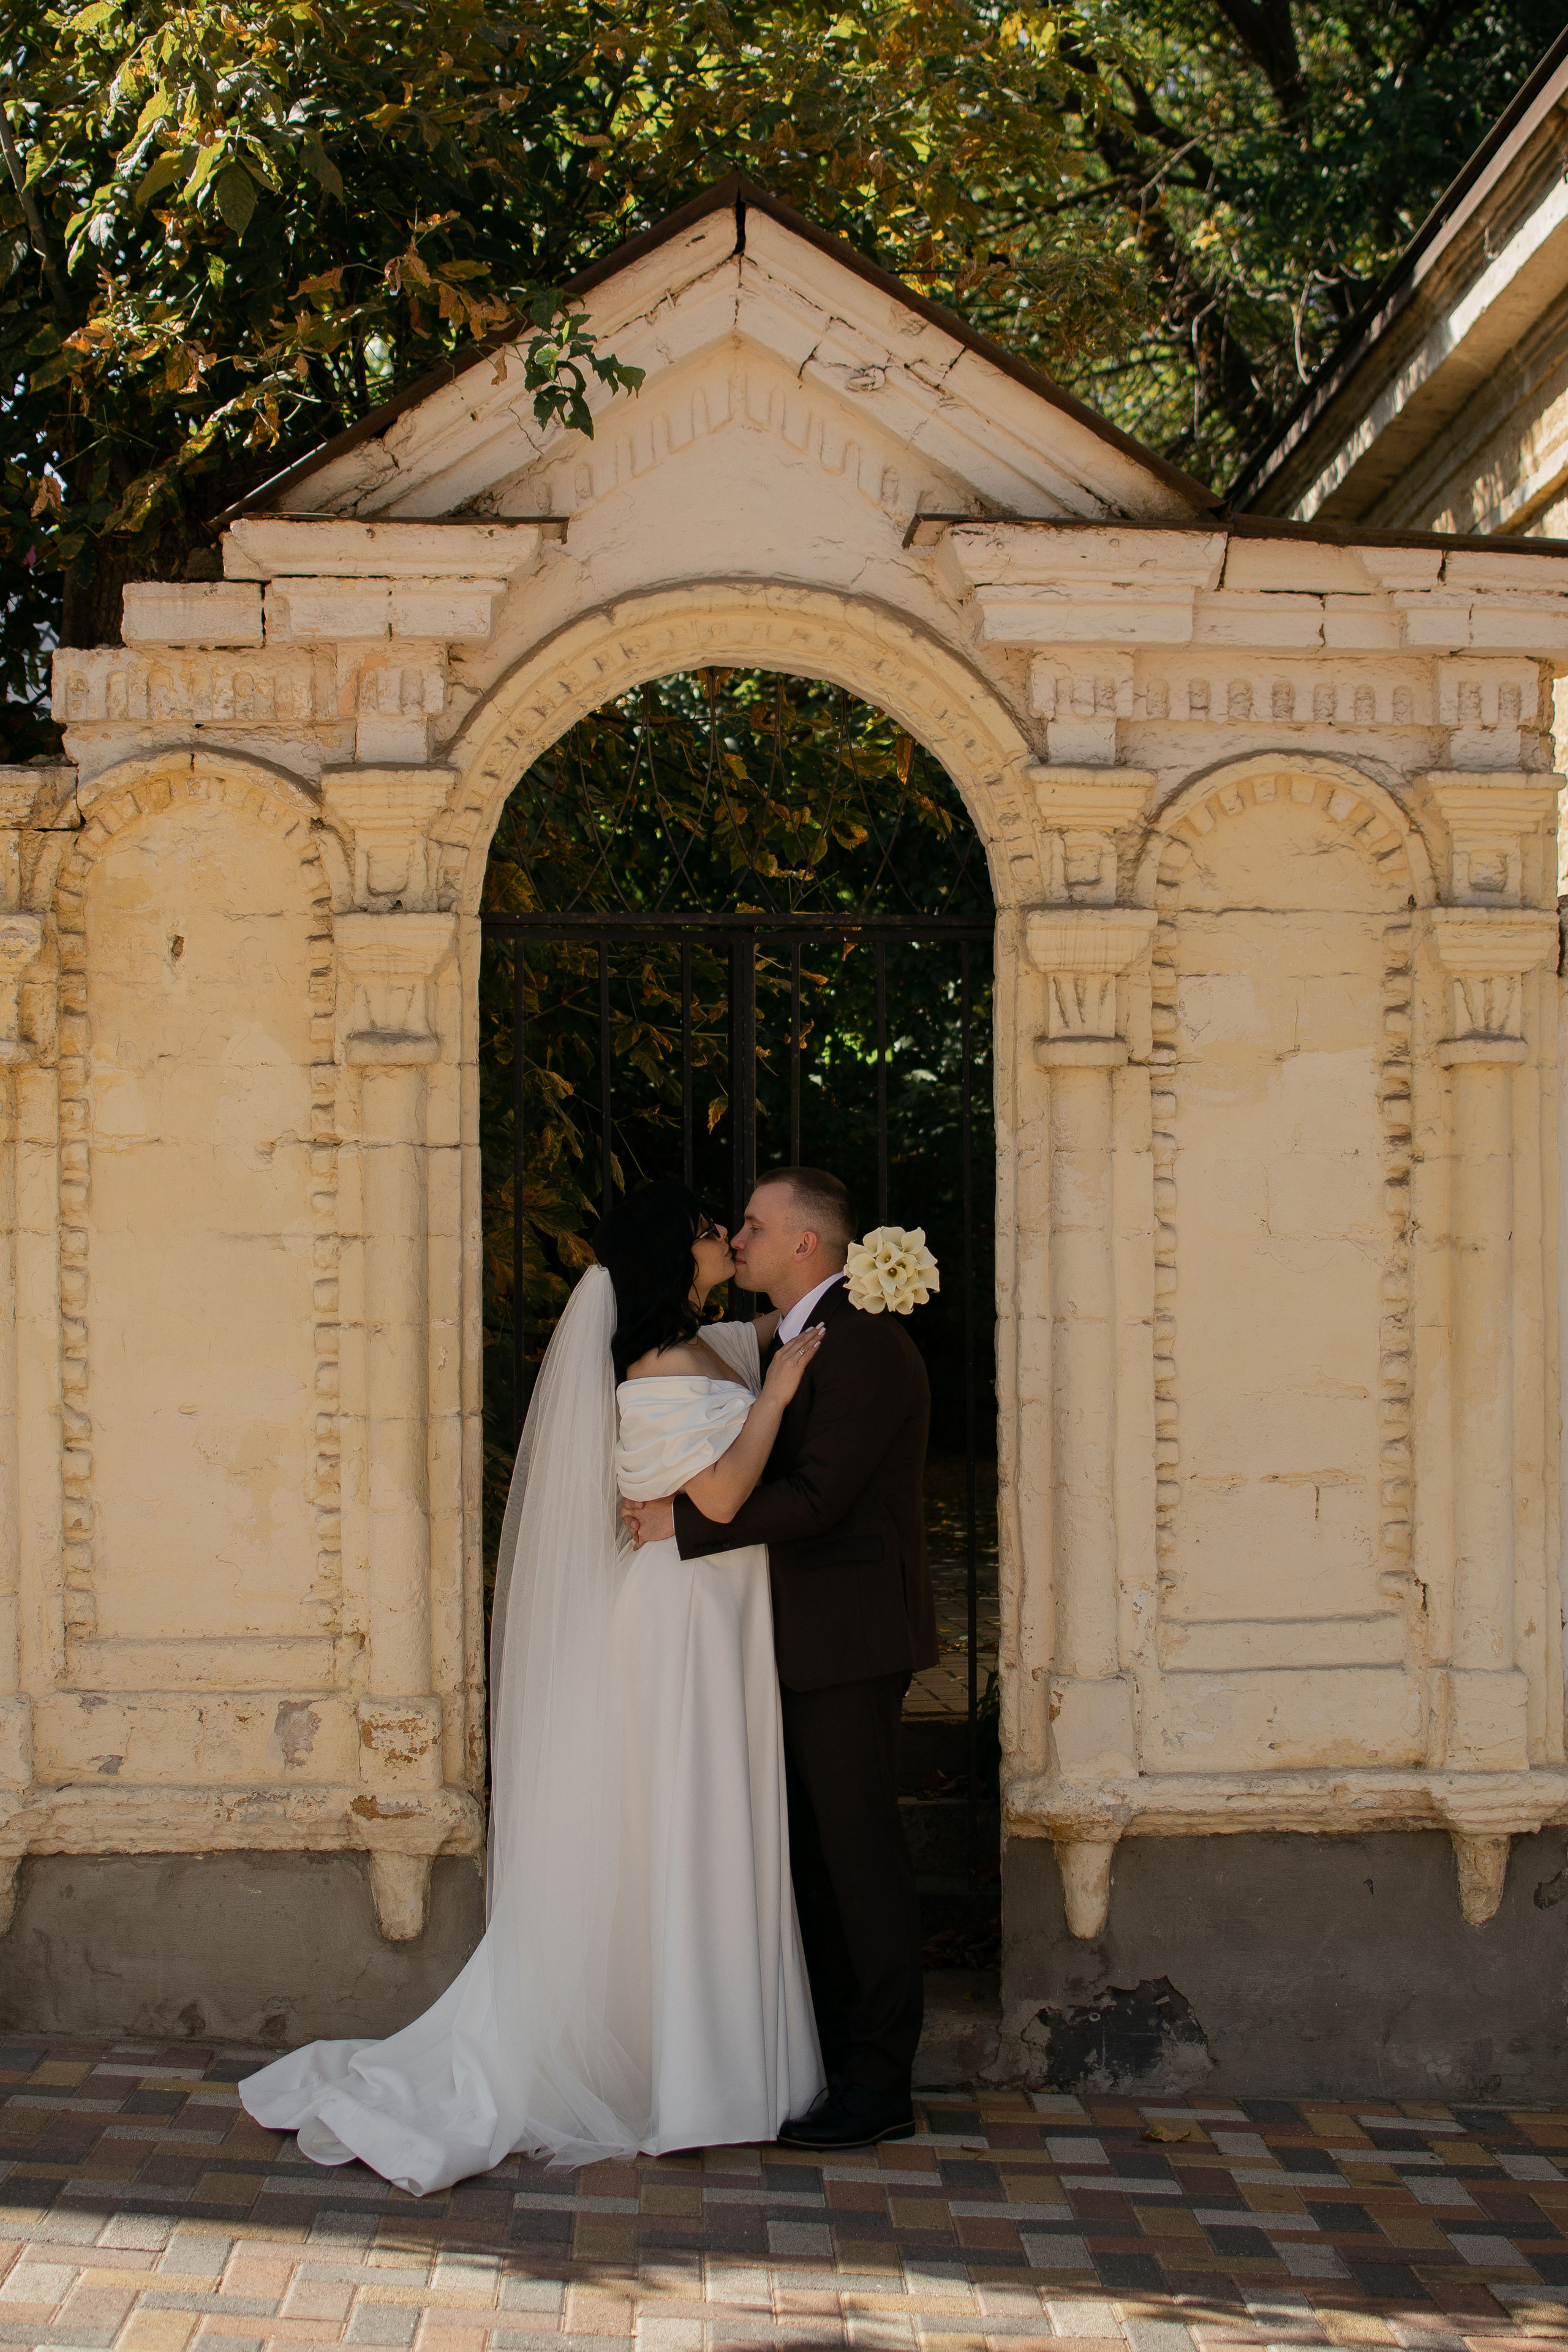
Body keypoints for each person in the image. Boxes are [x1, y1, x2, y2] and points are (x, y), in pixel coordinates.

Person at [238, 1183, 826, 2193]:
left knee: (700, 1818)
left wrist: (859, 1273)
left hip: (714, 1607)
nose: (728, 1241)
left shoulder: (703, 1346)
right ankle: (687, 2072)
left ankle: (716, 2061)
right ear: (671, 1256)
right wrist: (774, 1399)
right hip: (682, 1617)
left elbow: (788, 1320)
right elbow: (725, 1494)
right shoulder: (656, 1371)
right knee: (682, 1820)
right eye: (708, 1232)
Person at [622, 1167, 936, 2152]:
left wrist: (680, 1525)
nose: (739, 1237)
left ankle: (880, 2085)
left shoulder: (862, 1342)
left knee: (861, 1862)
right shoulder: (791, 1336)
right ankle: (836, 2061)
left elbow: (818, 1499)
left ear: (805, 1242)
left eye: (754, 1225)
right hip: (793, 1640)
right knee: (817, 1863)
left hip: (847, 1639)